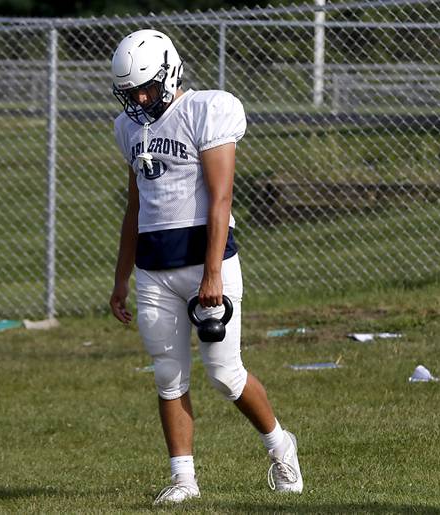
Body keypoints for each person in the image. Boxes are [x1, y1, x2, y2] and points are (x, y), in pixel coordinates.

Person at [108, 28, 303, 505]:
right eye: (129, 92)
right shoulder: (129, 127)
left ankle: (281, 447)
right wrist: (121, 277)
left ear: (170, 73)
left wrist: (212, 272)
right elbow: (135, 209)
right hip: (155, 267)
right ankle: (183, 479)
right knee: (167, 375)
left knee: (224, 374)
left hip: (205, 262)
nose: (138, 99)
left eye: (146, 88)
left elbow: (221, 198)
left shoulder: (206, 109)